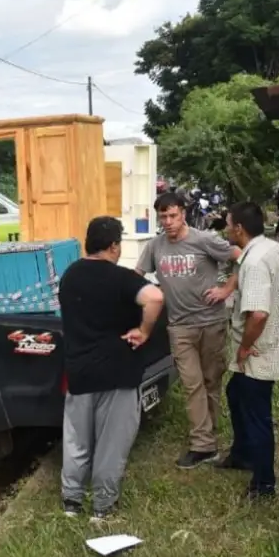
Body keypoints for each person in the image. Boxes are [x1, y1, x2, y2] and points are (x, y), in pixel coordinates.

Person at [59, 217, 165, 520]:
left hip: (80, 372)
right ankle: (102, 507)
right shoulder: (120, 278)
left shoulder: (70, 276)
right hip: (117, 371)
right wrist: (143, 332)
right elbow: (155, 297)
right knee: (111, 443)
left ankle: (71, 501)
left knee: (77, 439)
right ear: (114, 246)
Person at [136, 192, 241, 469]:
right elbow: (137, 276)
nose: (168, 222)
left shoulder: (204, 239)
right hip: (180, 326)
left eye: (173, 215)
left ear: (183, 213)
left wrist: (226, 289)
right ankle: (203, 445)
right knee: (192, 384)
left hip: (211, 322)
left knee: (211, 381)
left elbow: (242, 257)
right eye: (163, 217)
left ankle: (208, 432)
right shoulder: (155, 246)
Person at [217, 203, 279, 500]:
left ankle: (264, 484)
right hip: (269, 344)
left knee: (256, 415)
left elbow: (258, 314)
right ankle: (242, 454)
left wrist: (245, 347)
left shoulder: (255, 262)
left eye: (227, 223)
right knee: (235, 395)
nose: (226, 228)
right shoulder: (274, 249)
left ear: (239, 228)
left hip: (258, 352)